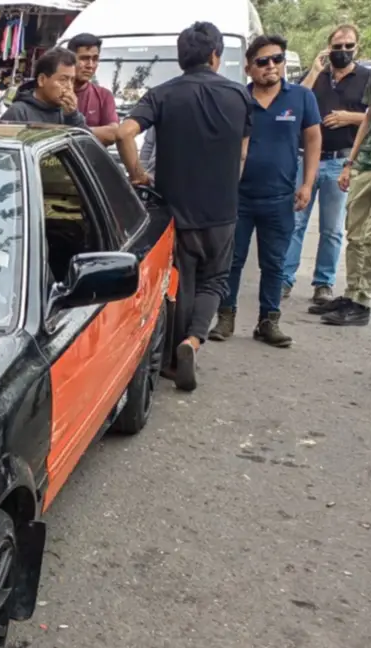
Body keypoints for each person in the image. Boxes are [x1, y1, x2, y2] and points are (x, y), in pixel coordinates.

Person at [117, 22, 252, 392]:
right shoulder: (239, 96)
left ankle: (174, 363)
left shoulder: (161, 95)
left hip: (174, 208)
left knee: (182, 280)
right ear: (215, 55)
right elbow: (243, 151)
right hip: (222, 208)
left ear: (181, 57)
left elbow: (124, 132)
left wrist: (137, 172)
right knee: (215, 279)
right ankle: (193, 341)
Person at [210, 35, 321, 348]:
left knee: (274, 262)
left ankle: (268, 321)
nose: (271, 66)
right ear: (249, 68)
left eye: (277, 59)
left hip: (280, 197)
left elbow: (313, 140)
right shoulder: (237, 98)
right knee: (232, 260)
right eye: (263, 61)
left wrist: (308, 183)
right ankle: (226, 316)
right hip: (238, 197)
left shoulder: (301, 97)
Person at [311, 10, 371, 331]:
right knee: (356, 234)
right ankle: (350, 294)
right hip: (366, 161)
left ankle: (362, 300)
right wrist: (350, 162)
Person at [283, 25, 369, 308]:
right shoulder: (316, 76)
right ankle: (284, 279)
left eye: (349, 46)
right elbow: (292, 102)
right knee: (295, 222)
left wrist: (349, 117)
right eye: (338, 46)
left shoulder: (367, 78)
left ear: (357, 47)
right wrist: (315, 71)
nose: (343, 51)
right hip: (306, 159)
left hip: (340, 161)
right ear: (328, 47)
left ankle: (323, 283)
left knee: (332, 229)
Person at [0, 48, 86, 128]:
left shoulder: (67, 113)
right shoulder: (19, 112)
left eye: (72, 80)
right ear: (42, 80)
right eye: (63, 80)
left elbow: (85, 143)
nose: (69, 86)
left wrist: (73, 117)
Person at [67, 33, 119, 145]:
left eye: (95, 59)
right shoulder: (56, 93)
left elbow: (113, 134)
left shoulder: (104, 95)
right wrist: (95, 132)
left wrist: (72, 132)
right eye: (84, 58)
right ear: (70, 59)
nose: (90, 65)